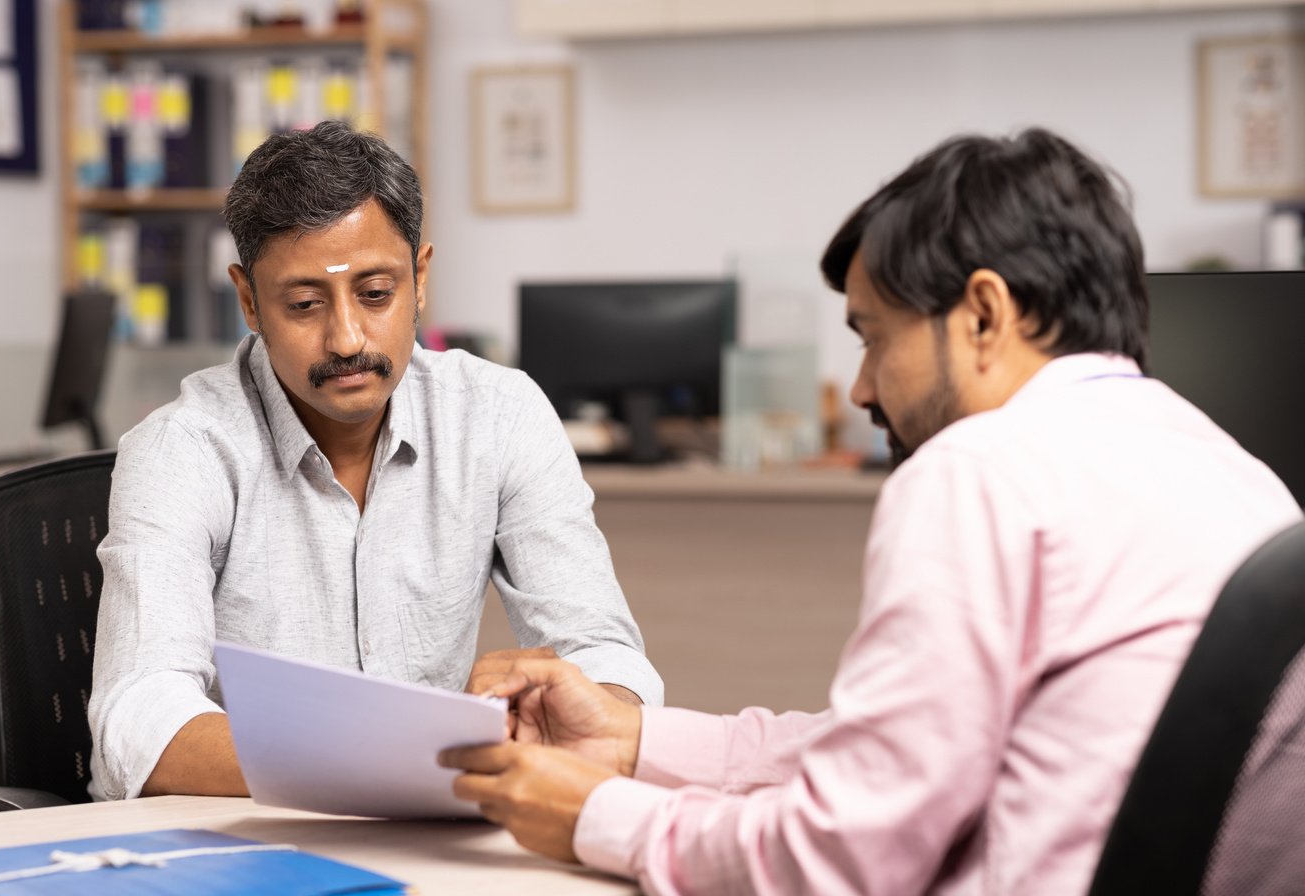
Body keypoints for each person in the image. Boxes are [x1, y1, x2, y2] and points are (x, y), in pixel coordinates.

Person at [439, 128, 1304, 894]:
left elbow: (836, 860)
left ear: (983, 315)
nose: (859, 387)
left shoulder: (981, 470)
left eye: (873, 337)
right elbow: (899, 755)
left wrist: (600, 816)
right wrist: (635, 742)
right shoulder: (1227, 469)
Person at [88, 120, 663, 803]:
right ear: (249, 300)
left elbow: (604, 650)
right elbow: (140, 719)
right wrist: (396, 758)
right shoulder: (181, 449)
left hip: (426, 834)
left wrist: (581, 710)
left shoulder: (499, 415)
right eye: (303, 304)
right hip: (235, 840)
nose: (347, 337)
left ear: (419, 277)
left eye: (375, 293)